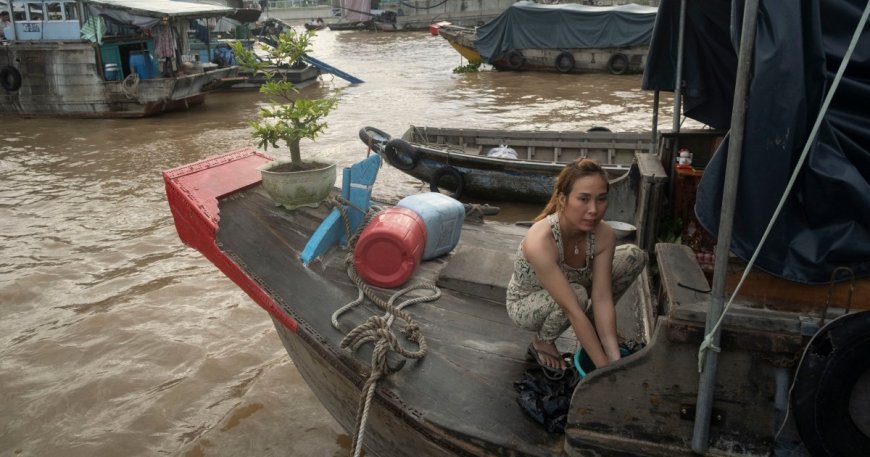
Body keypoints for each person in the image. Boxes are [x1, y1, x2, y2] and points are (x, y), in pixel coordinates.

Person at [506, 158, 647, 377]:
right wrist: (604, 373)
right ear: (563, 199)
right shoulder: (541, 240)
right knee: (577, 295)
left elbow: (602, 298)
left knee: (633, 256)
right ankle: (543, 342)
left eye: (601, 199)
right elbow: (573, 309)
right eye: (583, 199)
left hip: (574, 289)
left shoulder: (603, 235)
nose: (593, 210)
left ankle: (596, 332)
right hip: (528, 303)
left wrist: (614, 359)